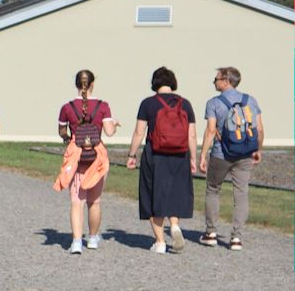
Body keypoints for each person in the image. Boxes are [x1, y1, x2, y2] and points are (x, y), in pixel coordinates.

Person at [124, 67, 198, 254]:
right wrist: (194, 159)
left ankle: (160, 242)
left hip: (155, 154)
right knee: (175, 192)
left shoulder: (148, 104)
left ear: (154, 82)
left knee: (153, 194)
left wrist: (132, 155)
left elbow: (139, 132)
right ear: (173, 82)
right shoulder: (185, 104)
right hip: (180, 155)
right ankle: (174, 225)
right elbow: (192, 135)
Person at [198, 66, 263, 251]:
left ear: (226, 81)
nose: (214, 82)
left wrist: (202, 154)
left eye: (216, 79)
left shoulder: (213, 103)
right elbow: (259, 128)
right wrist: (258, 149)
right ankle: (236, 238)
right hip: (245, 154)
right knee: (241, 194)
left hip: (221, 154)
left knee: (213, 189)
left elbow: (211, 130)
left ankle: (210, 233)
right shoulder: (251, 100)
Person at [54, 69, 117, 254]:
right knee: (95, 202)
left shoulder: (67, 107)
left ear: (76, 84)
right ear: (92, 84)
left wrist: (69, 139)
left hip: (77, 156)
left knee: (77, 201)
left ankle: (75, 242)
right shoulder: (103, 105)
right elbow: (109, 131)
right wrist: (116, 123)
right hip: (97, 156)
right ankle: (92, 238)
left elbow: (62, 131)